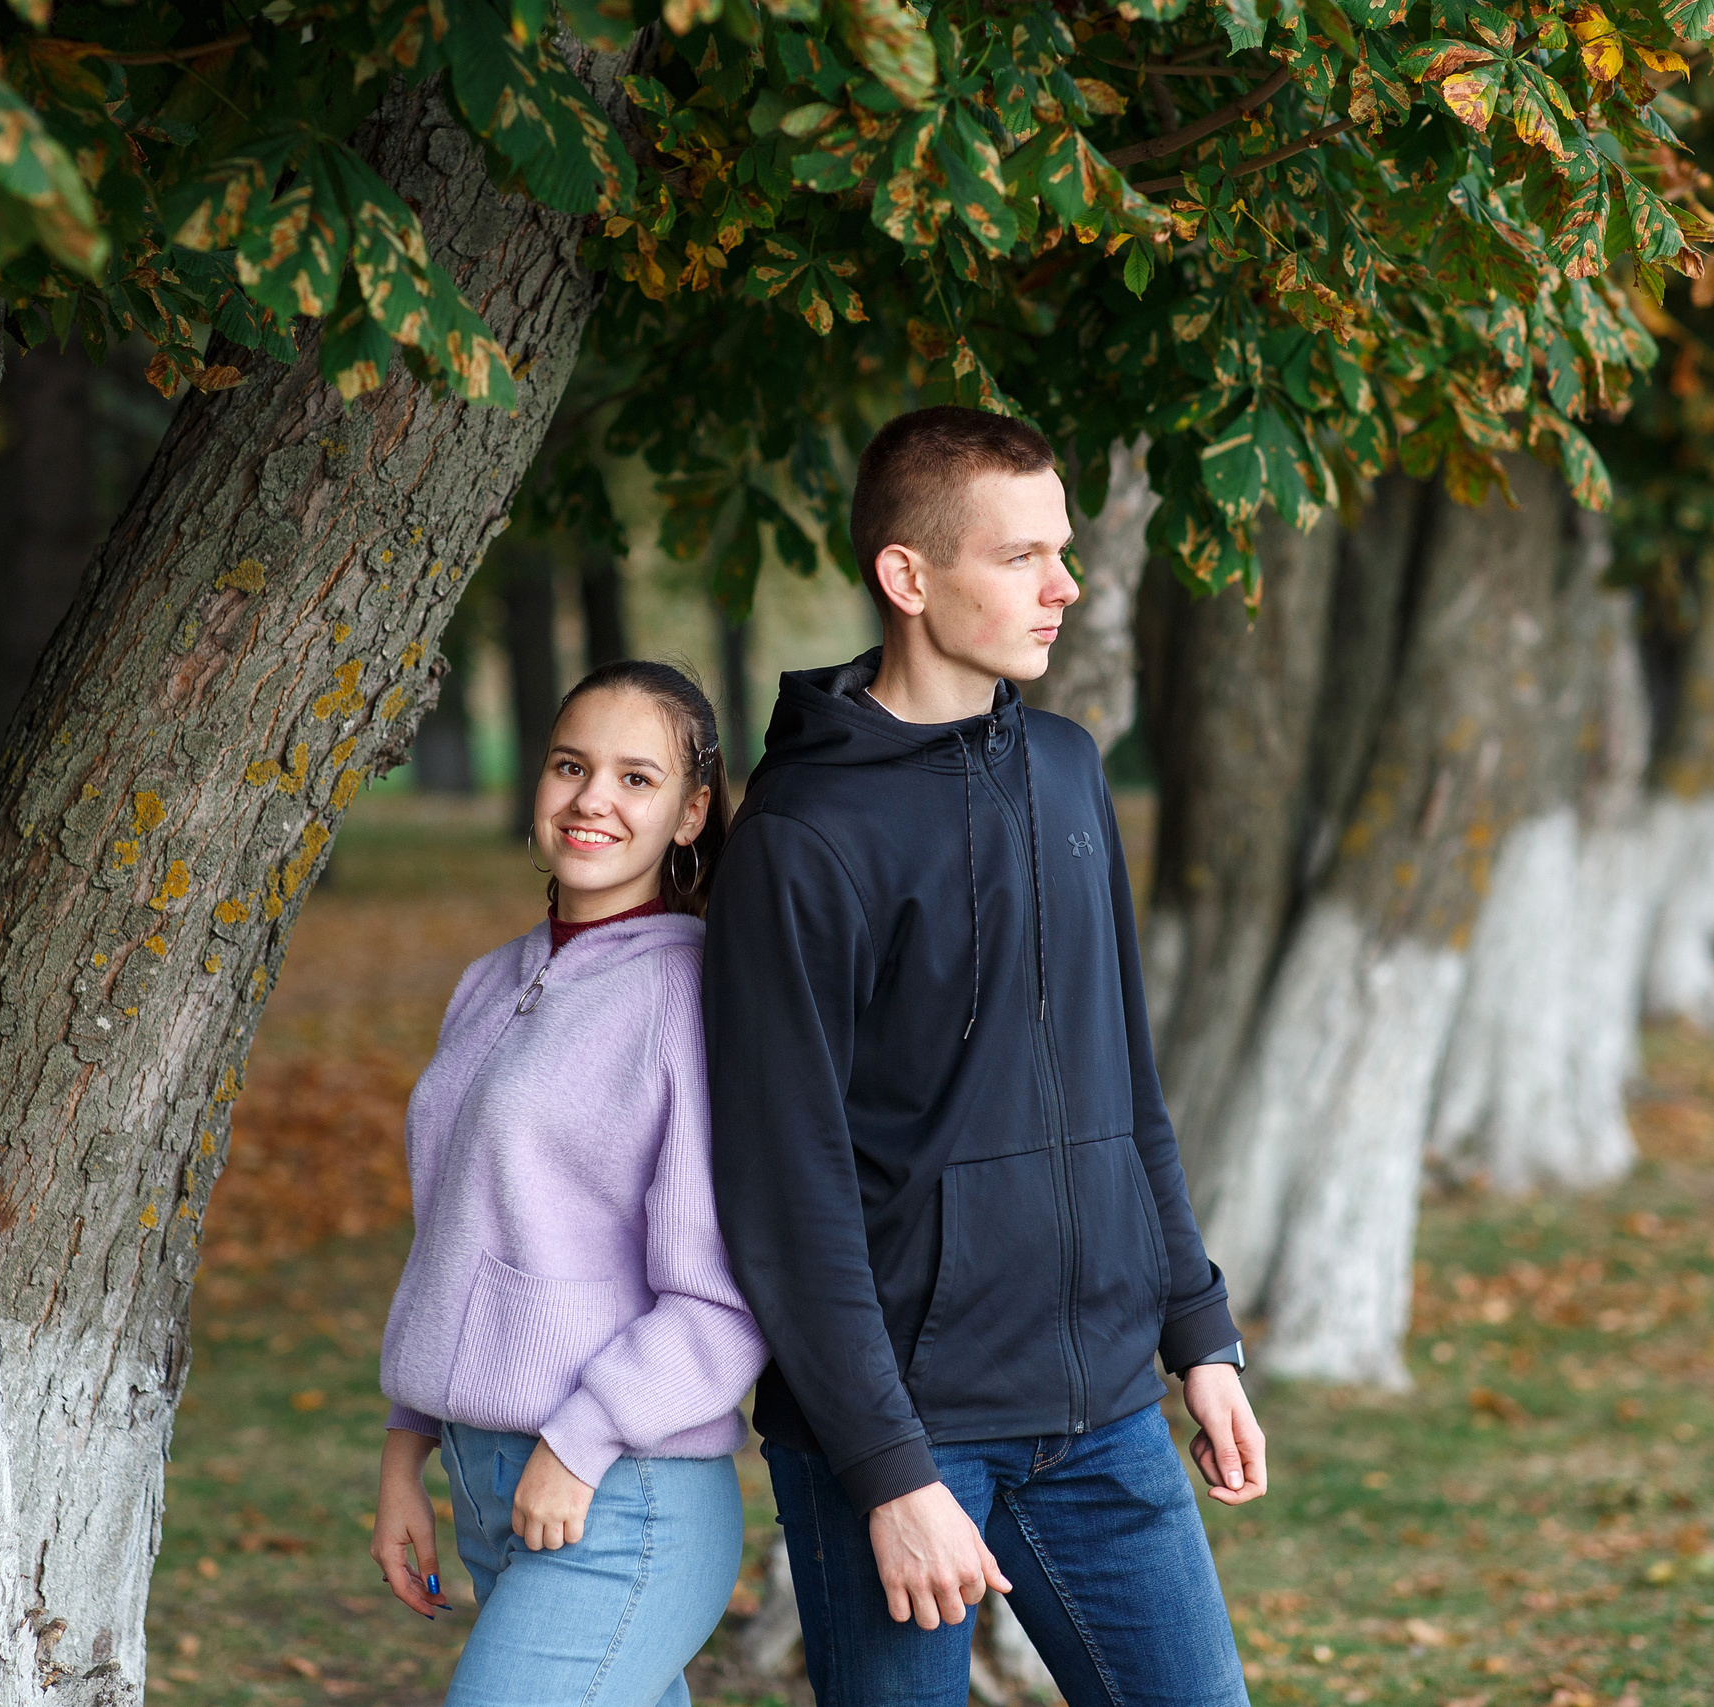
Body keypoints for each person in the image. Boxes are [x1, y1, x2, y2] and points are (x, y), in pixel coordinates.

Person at [705, 407, 1267, 1707]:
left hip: (1105, 1409)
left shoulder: (1068, 770)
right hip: (907, 1430)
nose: (1063, 584)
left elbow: (1126, 1084)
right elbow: (787, 1194)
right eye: (1022, 556)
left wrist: (1198, 1328)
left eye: (1059, 549)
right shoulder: (802, 837)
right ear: (909, 576)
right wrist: (891, 1469)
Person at [369, 659, 766, 1707]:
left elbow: (724, 1295)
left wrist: (579, 1445)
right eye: (569, 765)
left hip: (620, 1496)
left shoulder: (692, 995)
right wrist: (407, 1454)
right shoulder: (492, 980)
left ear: (690, 814)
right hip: (483, 1477)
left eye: (636, 779)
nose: (592, 797)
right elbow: (452, 1235)